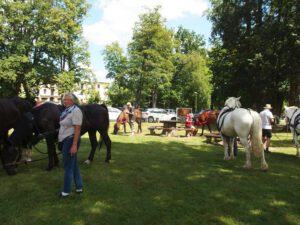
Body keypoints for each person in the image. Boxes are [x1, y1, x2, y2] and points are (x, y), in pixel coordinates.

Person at [58, 93, 83, 197]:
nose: (65, 101)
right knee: (74, 165)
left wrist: (74, 145)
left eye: (68, 100)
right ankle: (79, 187)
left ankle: (66, 191)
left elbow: (77, 129)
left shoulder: (76, 111)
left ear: (73, 101)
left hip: (71, 140)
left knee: (68, 165)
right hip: (65, 139)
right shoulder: (67, 110)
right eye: (64, 100)